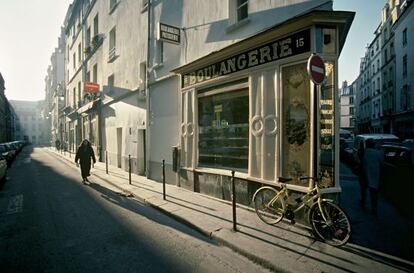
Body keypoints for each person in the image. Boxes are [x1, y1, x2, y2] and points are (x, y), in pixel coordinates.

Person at [361, 138, 384, 215]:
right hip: (375, 174)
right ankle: (374, 207)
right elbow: (382, 165)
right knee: (374, 192)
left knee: (364, 189)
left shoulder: (364, 152)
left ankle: (363, 201)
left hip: (365, 173)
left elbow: (362, 163)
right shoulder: (378, 153)